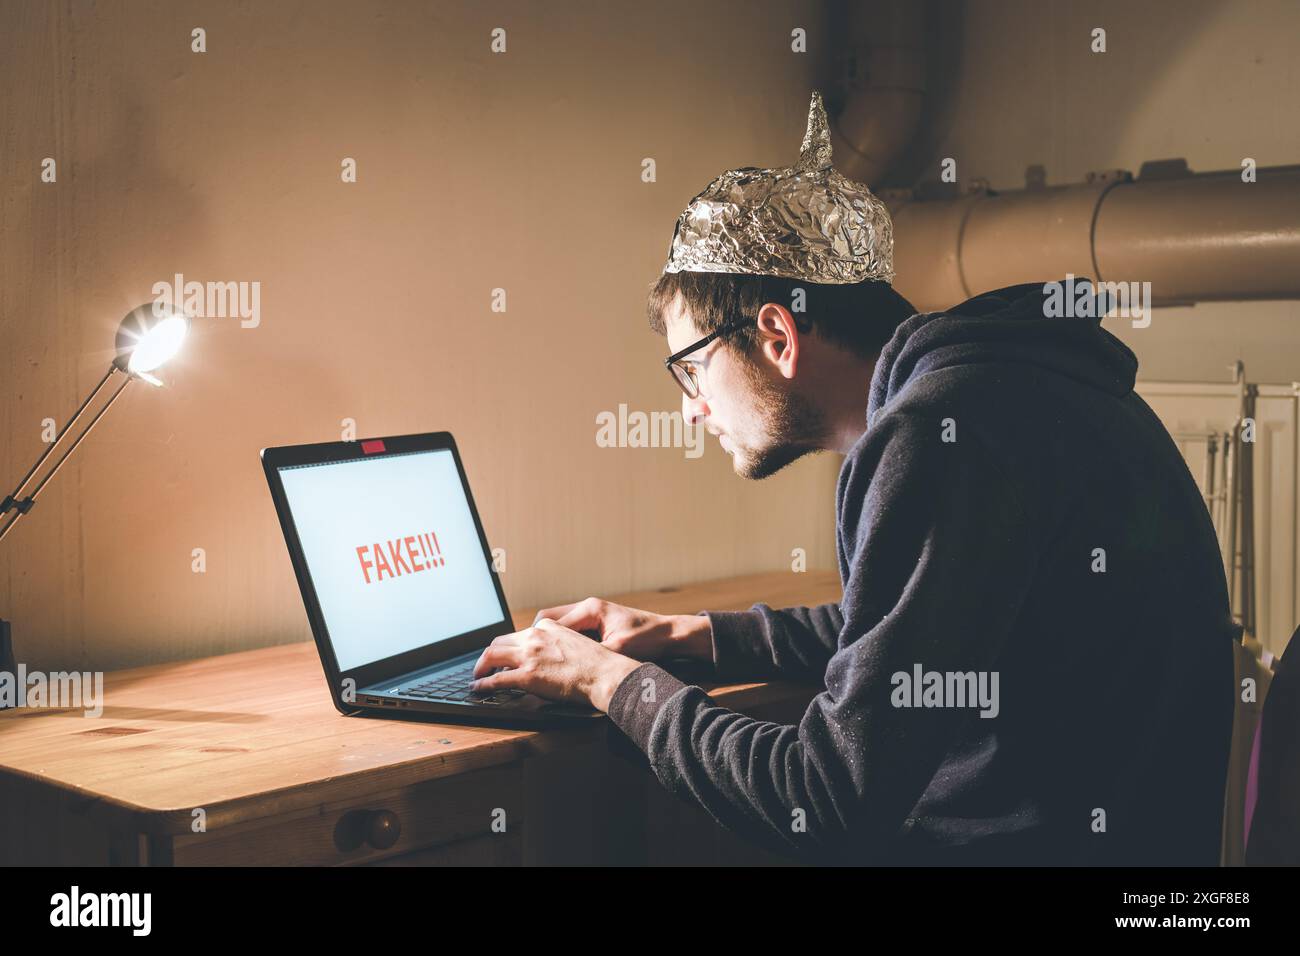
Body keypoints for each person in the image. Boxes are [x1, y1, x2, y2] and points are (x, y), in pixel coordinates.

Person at [472, 92, 1236, 864]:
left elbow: (827, 797)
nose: (695, 410)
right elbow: (916, 634)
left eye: (692, 369)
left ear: (776, 335)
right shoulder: (1010, 390)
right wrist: (690, 636)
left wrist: (614, 684)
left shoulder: (939, 436)